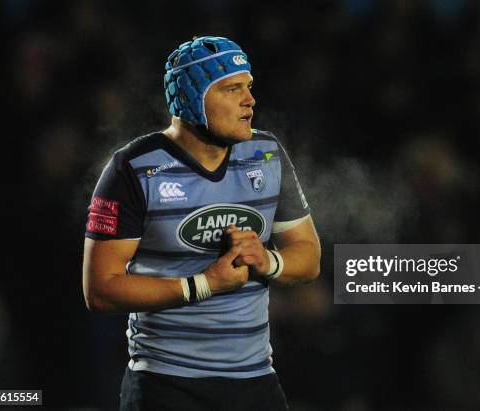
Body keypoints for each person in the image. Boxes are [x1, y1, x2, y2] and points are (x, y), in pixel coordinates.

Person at [82, 35, 321, 410]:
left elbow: (308, 258)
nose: (250, 100)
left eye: (249, 87)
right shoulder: (132, 169)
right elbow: (99, 289)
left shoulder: (267, 154)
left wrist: (269, 260)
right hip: (165, 385)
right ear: (193, 98)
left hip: (256, 381)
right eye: (232, 89)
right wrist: (203, 285)